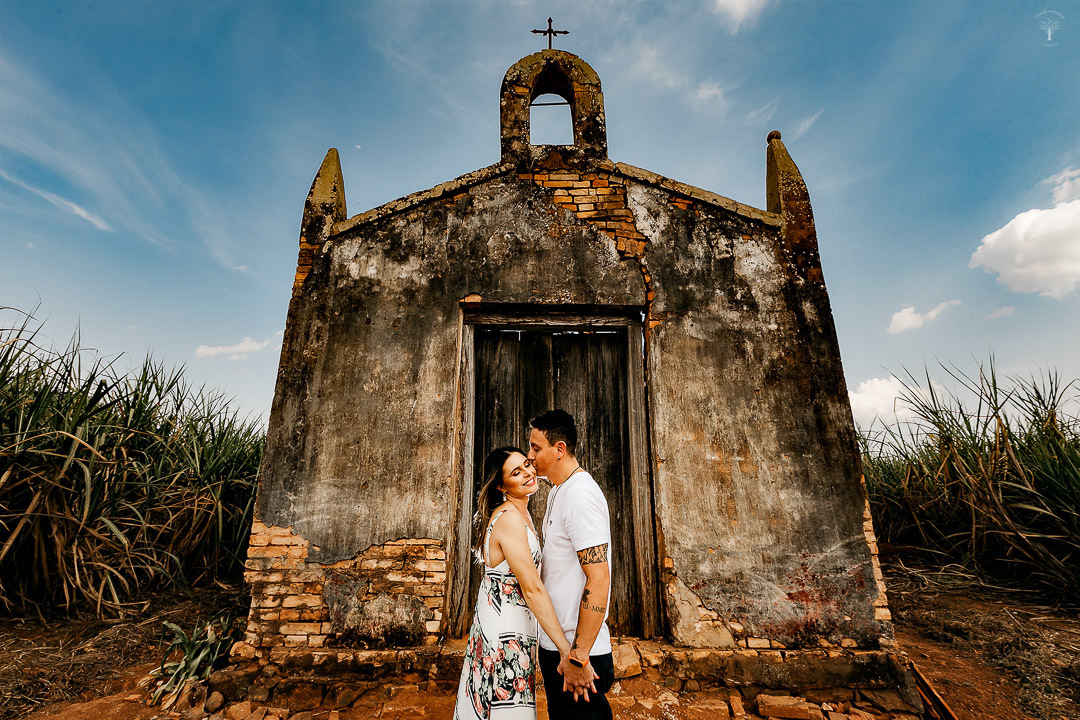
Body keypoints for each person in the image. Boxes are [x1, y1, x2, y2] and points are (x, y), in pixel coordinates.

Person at [454, 446, 573, 719]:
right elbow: (532, 589)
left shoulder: (523, 514)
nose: (528, 473)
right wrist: (565, 649)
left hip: (517, 626)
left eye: (527, 465)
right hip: (504, 632)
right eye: (516, 473)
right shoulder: (508, 520)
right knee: (505, 708)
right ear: (501, 485)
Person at [527, 410, 614, 719]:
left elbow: (599, 579)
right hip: (558, 647)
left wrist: (577, 657)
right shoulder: (558, 492)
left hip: (578, 655)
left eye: (536, 448)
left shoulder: (580, 495)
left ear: (559, 449)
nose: (530, 456)